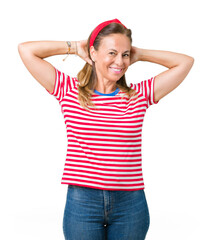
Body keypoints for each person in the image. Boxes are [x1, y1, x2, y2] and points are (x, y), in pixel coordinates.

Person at [18, 18, 194, 240]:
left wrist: (139, 54)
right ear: (93, 53)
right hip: (82, 203)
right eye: (112, 53)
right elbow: (26, 50)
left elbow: (186, 62)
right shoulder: (68, 90)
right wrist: (73, 47)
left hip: (130, 205)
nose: (120, 61)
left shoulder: (138, 96)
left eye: (125, 54)